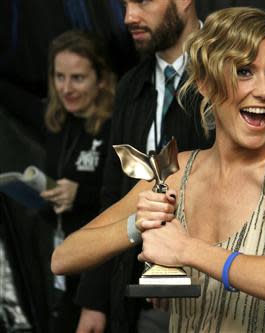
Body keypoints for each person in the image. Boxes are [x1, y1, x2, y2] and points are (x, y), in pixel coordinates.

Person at [52, 6, 265, 332]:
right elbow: (63, 258)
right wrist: (136, 225)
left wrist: (187, 250)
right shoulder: (178, 171)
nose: (264, 90)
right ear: (206, 84)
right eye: (244, 71)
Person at [73, 1, 210, 332]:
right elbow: (112, 196)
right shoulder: (131, 86)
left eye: (143, 1)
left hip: (211, 297)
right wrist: (95, 299)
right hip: (135, 297)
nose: (128, 17)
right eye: (124, 4)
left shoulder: (231, 73)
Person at [39, 30, 116, 333]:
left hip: (98, 270)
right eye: (60, 77)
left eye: (78, 78)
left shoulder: (115, 127)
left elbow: (124, 201)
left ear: (100, 79)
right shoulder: (57, 123)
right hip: (62, 265)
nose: (66, 88)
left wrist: (80, 194)